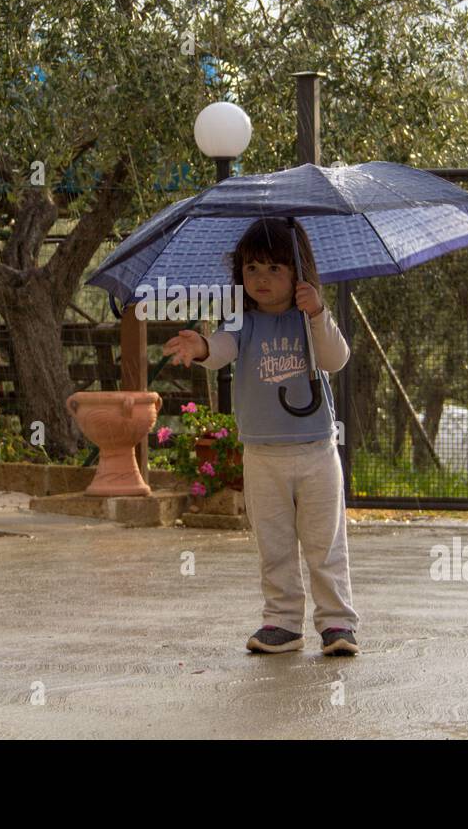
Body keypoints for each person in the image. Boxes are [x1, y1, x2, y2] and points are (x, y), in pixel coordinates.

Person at [163, 217, 360, 656]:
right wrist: (201, 347)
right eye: (252, 268)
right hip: (262, 454)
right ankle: (283, 623)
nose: (262, 279)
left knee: (323, 542)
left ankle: (338, 624)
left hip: (315, 451)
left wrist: (317, 313)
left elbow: (336, 359)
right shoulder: (241, 320)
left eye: (275, 268)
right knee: (273, 544)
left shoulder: (308, 319)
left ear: (299, 271)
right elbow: (222, 349)